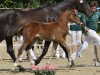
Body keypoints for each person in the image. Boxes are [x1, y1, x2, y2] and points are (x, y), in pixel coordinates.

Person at [70, 1, 100, 66]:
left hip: (92, 33)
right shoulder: (86, 15)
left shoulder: (97, 14)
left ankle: (72, 58)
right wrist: (85, 28)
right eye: (92, 8)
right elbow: (83, 23)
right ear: (90, 8)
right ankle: (97, 61)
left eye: (94, 8)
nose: (93, 9)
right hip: (90, 31)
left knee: (84, 47)